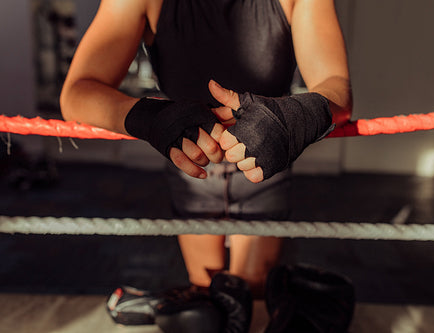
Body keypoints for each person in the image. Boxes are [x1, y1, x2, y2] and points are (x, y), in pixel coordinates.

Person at [60, 0, 352, 331]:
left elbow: (336, 86)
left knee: (252, 297)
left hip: (266, 158)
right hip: (191, 161)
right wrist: (151, 117)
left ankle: (170, 303)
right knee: (209, 303)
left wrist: (293, 115)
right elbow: (77, 92)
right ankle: (171, 302)